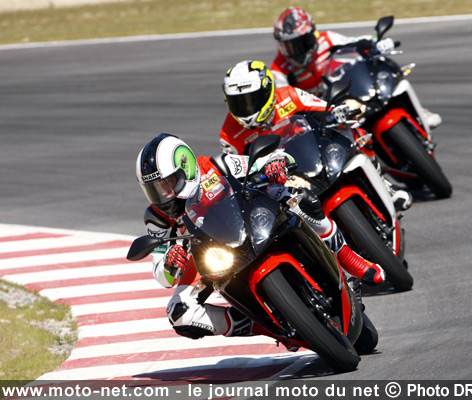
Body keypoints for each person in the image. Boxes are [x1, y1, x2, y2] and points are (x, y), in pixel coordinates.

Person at [136, 133, 385, 343]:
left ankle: (351, 261)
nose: (164, 193)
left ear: (186, 167)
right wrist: (171, 262)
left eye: (168, 182)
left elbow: (267, 160)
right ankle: (267, 327)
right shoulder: (157, 216)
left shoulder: (215, 164)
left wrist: (276, 165)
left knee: (302, 199)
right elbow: (162, 274)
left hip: (249, 222)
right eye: (155, 188)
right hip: (209, 255)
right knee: (179, 313)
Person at [219, 59, 413, 211]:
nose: (246, 108)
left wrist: (340, 111)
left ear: (267, 89)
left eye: (250, 100)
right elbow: (238, 173)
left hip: (314, 150)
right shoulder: (229, 133)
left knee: (357, 133)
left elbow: (323, 108)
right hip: (283, 178)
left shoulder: (289, 95)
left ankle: (385, 186)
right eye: (238, 102)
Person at [270, 6, 442, 130]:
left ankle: (419, 111)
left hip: (350, 89)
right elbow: (282, 98)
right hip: (324, 109)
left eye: (301, 43)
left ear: (312, 34)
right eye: (290, 46)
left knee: (385, 70)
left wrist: (377, 42)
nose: (297, 51)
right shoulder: (279, 69)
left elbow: (357, 41)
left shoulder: (327, 39)